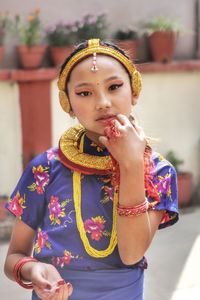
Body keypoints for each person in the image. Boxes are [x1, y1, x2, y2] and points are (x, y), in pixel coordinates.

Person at [4, 39, 179, 300]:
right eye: (85, 93)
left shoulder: (157, 172)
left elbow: (131, 254)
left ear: (134, 91)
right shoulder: (45, 169)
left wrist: (131, 165)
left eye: (115, 87)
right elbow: (14, 257)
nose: (103, 102)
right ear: (68, 104)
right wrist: (33, 269)